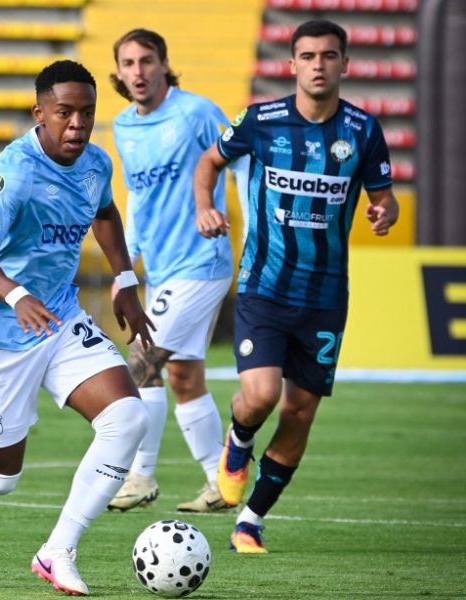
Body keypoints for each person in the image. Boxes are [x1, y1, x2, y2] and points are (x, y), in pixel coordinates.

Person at [0, 60, 153, 596]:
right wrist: (17, 296)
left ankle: (57, 550)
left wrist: (125, 281)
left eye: (87, 113)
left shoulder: (95, 163)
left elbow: (105, 212)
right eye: (64, 113)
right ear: (39, 113)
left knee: (127, 418)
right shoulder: (14, 170)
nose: (77, 125)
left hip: (61, 317)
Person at [194, 19, 399, 553]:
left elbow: (385, 194)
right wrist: (205, 205)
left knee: (300, 410)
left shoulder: (363, 130)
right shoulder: (260, 120)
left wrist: (385, 211)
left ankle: (251, 521)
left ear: (345, 64)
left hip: (326, 296)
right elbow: (209, 161)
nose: (318, 65)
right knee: (259, 396)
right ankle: (238, 442)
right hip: (264, 286)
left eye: (328, 56)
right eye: (307, 56)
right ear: (291, 65)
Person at [106, 28, 237, 513]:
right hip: (162, 268)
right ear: (118, 72)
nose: (137, 71)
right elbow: (138, 197)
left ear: (164, 64)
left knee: (141, 362)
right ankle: (220, 484)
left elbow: (239, 161)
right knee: (183, 376)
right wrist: (129, 262)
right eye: (128, 63)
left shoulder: (196, 112)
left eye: (146, 61)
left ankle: (140, 475)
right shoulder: (123, 126)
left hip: (201, 262)